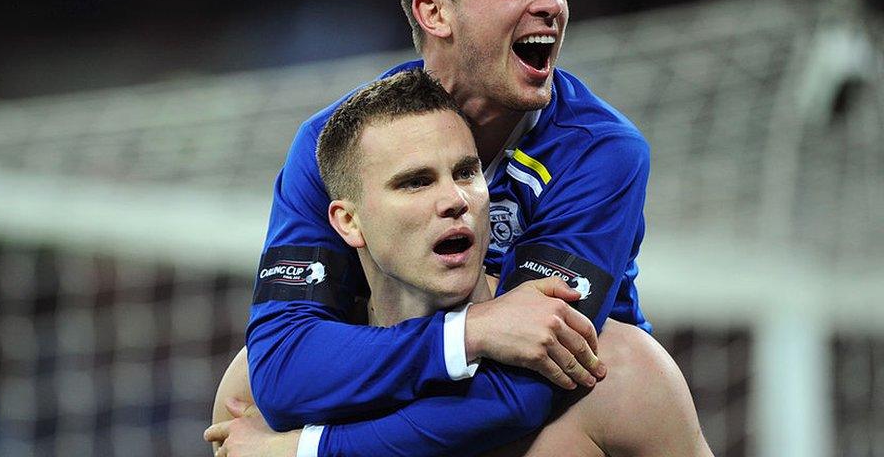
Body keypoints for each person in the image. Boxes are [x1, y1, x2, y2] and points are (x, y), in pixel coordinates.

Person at [243, 0, 655, 454]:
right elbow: (282, 370)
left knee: (618, 371)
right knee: (238, 387)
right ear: (435, 12)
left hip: (555, 421)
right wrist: (472, 332)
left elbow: (525, 387)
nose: (552, 4)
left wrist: (312, 451)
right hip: (425, 384)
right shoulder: (333, 143)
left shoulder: (599, 151)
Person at [206, 70, 712, 457]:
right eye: (416, 182)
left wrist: (308, 449)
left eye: (467, 172)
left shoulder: (618, 375)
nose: (455, 200)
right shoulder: (254, 399)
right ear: (348, 222)